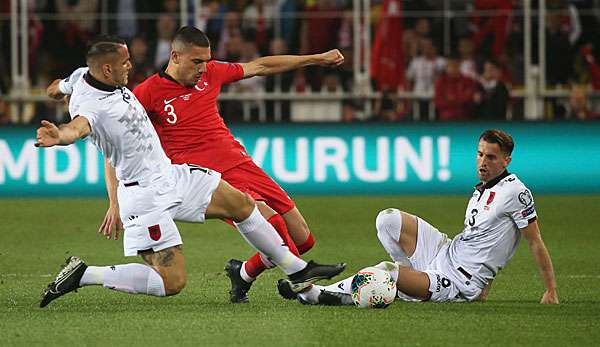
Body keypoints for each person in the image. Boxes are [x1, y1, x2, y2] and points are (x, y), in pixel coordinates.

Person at [37, 35, 345, 308]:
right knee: (171, 283)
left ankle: (289, 270)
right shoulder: (98, 107)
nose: (131, 66)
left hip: (175, 176)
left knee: (245, 206)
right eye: (125, 62)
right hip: (145, 195)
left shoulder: (81, 77)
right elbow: (78, 128)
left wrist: (57, 91)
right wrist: (61, 136)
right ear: (106, 69)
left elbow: (55, 87)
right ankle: (86, 274)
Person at [120, 26, 345, 303]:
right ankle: (308, 290)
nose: (204, 68)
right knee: (269, 221)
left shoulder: (211, 73)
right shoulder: (147, 93)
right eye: (197, 62)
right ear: (175, 56)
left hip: (240, 162)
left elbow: (260, 65)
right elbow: (119, 140)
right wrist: (115, 199)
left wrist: (316, 58)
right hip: (207, 179)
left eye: (207, 60)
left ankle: (243, 274)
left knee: (302, 239)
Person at [281, 129, 559, 305]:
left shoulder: (516, 193)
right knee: (387, 219)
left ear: (507, 160)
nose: (482, 162)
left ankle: (318, 294)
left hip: (459, 282)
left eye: (491, 157)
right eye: (479, 154)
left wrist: (550, 290)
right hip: (446, 253)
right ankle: (406, 285)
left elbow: (533, 242)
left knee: (385, 270)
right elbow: (484, 242)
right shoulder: (482, 190)